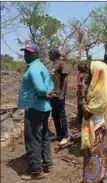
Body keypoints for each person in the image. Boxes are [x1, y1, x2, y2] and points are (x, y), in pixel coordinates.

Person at [18, 44, 55, 180]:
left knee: (32, 139)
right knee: (44, 136)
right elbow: (50, 86)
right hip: (44, 108)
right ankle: (47, 165)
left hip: (34, 108)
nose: (25, 55)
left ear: (36, 54)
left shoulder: (33, 69)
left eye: (28, 53)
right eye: (25, 53)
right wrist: (47, 93)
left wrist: (45, 93)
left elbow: (40, 90)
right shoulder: (42, 67)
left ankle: (36, 171)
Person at [80, 61, 107, 182]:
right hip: (102, 129)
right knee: (100, 161)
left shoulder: (98, 93)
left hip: (96, 132)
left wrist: (82, 96)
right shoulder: (101, 88)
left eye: (90, 72)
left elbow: (86, 113)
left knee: (93, 162)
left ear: (96, 74)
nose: (87, 75)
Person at [48, 48, 69, 146]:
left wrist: (62, 93)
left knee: (61, 115)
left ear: (54, 54)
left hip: (59, 95)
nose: (48, 54)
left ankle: (65, 136)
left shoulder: (61, 64)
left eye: (50, 52)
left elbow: (65, 79)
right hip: (52, 95)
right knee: (54, 115)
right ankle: (59, 133)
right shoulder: (51, 65)